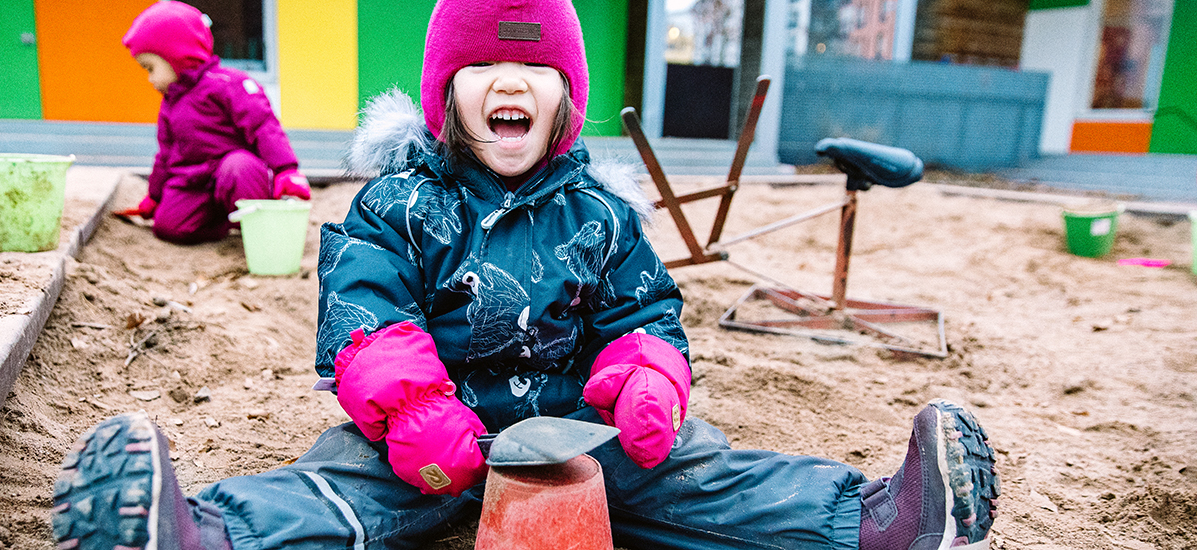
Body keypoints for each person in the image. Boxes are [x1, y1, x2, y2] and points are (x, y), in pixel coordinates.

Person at [51, 1, 1000, 549]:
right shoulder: (397, 205)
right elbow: (363, 310)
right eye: (484, 66)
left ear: (567, 101)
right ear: (444, 96)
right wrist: (412, 410)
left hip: (575, 430)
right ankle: (200, 534)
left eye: (534, 67)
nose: (510, 80)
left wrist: (644, 381)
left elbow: (647, 312)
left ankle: (877, 521)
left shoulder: (600, 215)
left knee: (698, 467)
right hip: (424, 435)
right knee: (339, 486)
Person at [116, 1, 311, 245]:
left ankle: (256, 224)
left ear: (177, 56)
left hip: (233, 173)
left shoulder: (228, 84)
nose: (149, 78)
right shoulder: (170, 103)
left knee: (240, 167)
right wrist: (154, 197)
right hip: (194, 180)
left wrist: (286, 170)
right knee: (167, 227)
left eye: (150, 67)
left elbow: (263, 126)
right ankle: (222, 222)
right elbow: (165, 155)